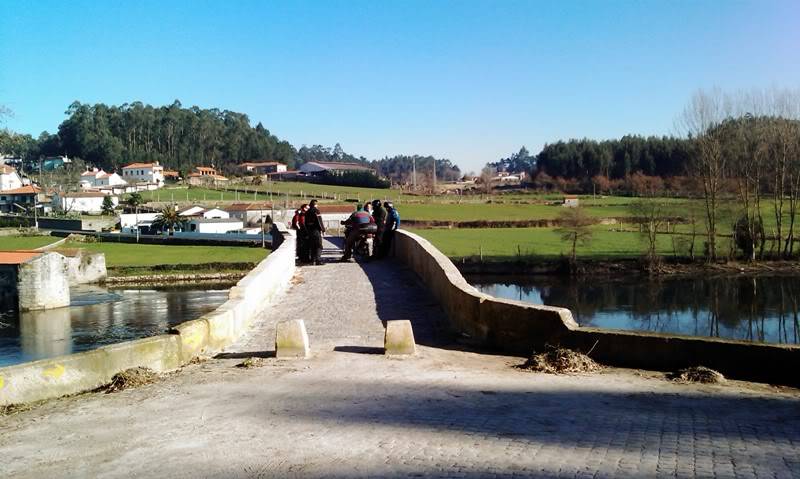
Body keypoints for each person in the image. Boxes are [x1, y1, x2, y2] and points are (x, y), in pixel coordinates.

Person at [304, 199, 325, 265]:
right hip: (316, 230)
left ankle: (312, 260)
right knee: (319, 246)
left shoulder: (307, 212)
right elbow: (319, 221)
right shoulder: (316, 211)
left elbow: (305, 223)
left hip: (310, 231)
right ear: (315, 204)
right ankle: (318, 260)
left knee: (312, 246)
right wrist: (323, 230)